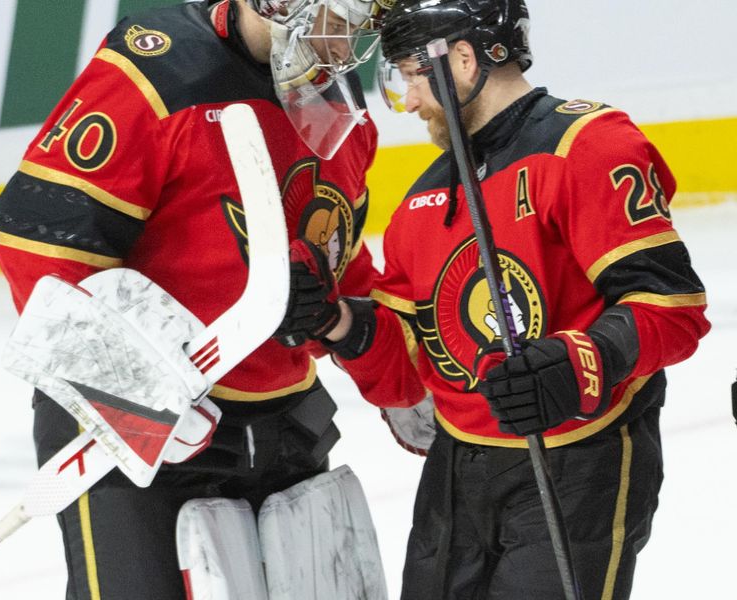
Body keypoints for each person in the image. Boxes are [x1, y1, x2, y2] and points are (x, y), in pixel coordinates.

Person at [274, 0, 712, 598]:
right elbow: (410, 364)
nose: (406, 100)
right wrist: (336, 321)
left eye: (408, 73)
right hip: (457, 472)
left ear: (460, 58)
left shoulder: (585, 145)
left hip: (579, 462)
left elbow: (672, 307)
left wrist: (577, 361)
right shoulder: (424, 199)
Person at [0, 0, 383, 597]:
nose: (350, 42)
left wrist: (355, 325)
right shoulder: (160, 72)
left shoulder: (329, 97)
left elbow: (340, 254)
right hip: (137, 439)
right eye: (337, 15)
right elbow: (36, 235)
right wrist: (130, 397)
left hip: (284, 426)